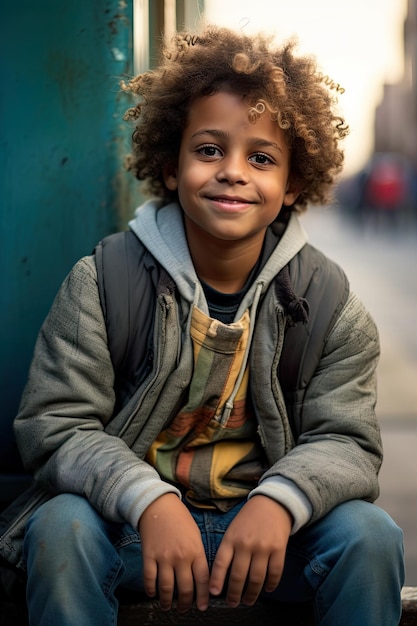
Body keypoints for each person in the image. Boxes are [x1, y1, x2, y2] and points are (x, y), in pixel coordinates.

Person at [0, 25, 404, 626]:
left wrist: (280, 503)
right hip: (136, 530)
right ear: (170, 165)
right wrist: (149, 502)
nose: (234, 172)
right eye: (209, 149)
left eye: (261, 158)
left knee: (371, 535)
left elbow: (347, 442)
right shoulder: (104, 281)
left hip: (269, 538)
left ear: (292, 184)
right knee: (60, 527)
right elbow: (54, 426)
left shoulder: (329, 304)